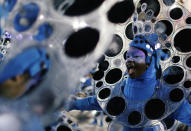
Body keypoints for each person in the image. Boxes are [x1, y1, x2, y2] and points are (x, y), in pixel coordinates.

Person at [66, 33, 191, 131]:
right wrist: (74, 104)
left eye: (136, 56)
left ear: (150, 61)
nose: (130, 60)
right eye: (128, 56)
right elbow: (98, 101)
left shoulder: (168, 94)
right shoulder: (121, 86)